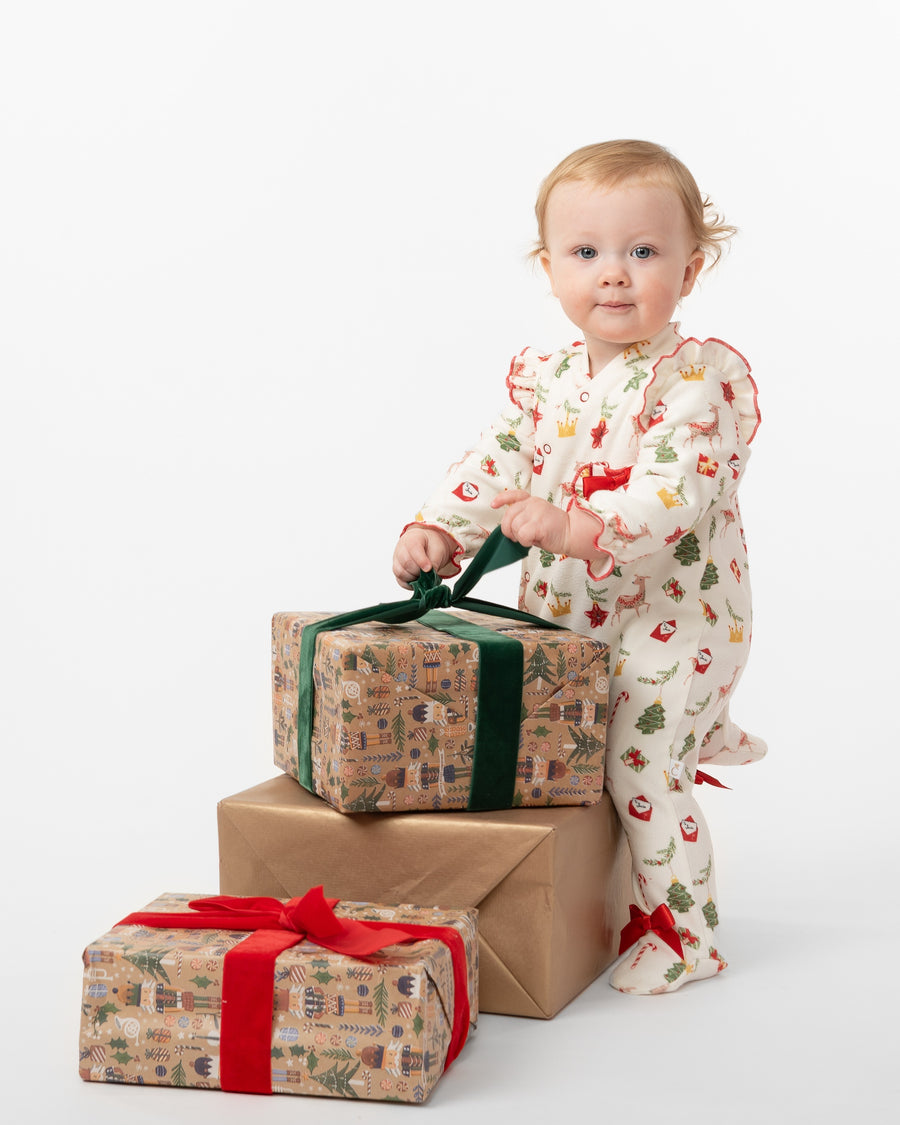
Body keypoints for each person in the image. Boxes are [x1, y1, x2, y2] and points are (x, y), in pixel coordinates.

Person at [392, 140, 766, 995]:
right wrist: (440, 530)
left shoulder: (694, 384)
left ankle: (685, 932)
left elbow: (676, 495)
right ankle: (592, 911)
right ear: (549, 265)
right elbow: (492, 464)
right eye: (586, 253)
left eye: (643, 252)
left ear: (691, 268)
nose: (614, 275)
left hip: (680, 616)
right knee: (566, 755)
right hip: (570, 612)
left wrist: (573, 524)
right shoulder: (546, 376)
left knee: (639, 760)